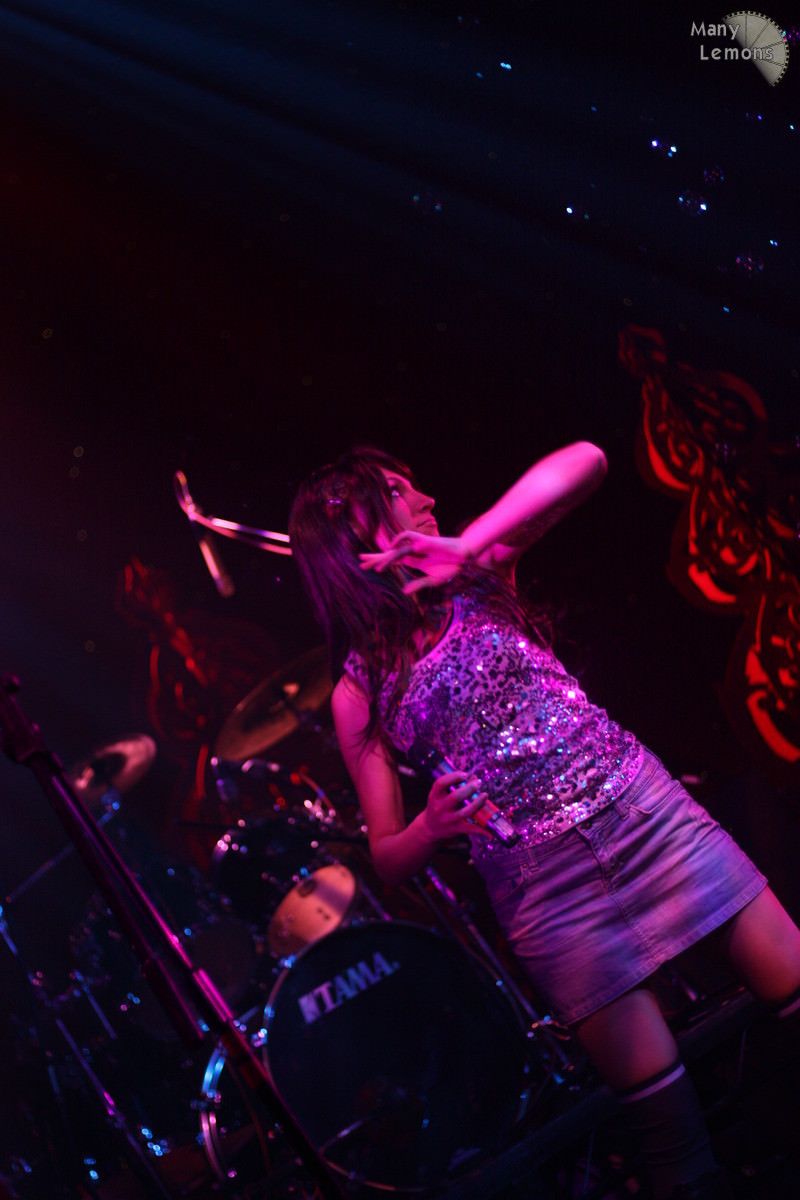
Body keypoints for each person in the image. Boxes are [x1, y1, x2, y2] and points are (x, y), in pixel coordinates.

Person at [288, 443, 800, 1199]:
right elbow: (388, 858)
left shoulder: (478, 571)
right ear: (359, 529)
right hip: (548, 898)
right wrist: (429, 827)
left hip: (644, 817)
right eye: (397, 491)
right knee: (673, 1135)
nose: (425, 498)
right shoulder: (357, 691)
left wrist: (468, 542)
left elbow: (588, 461)